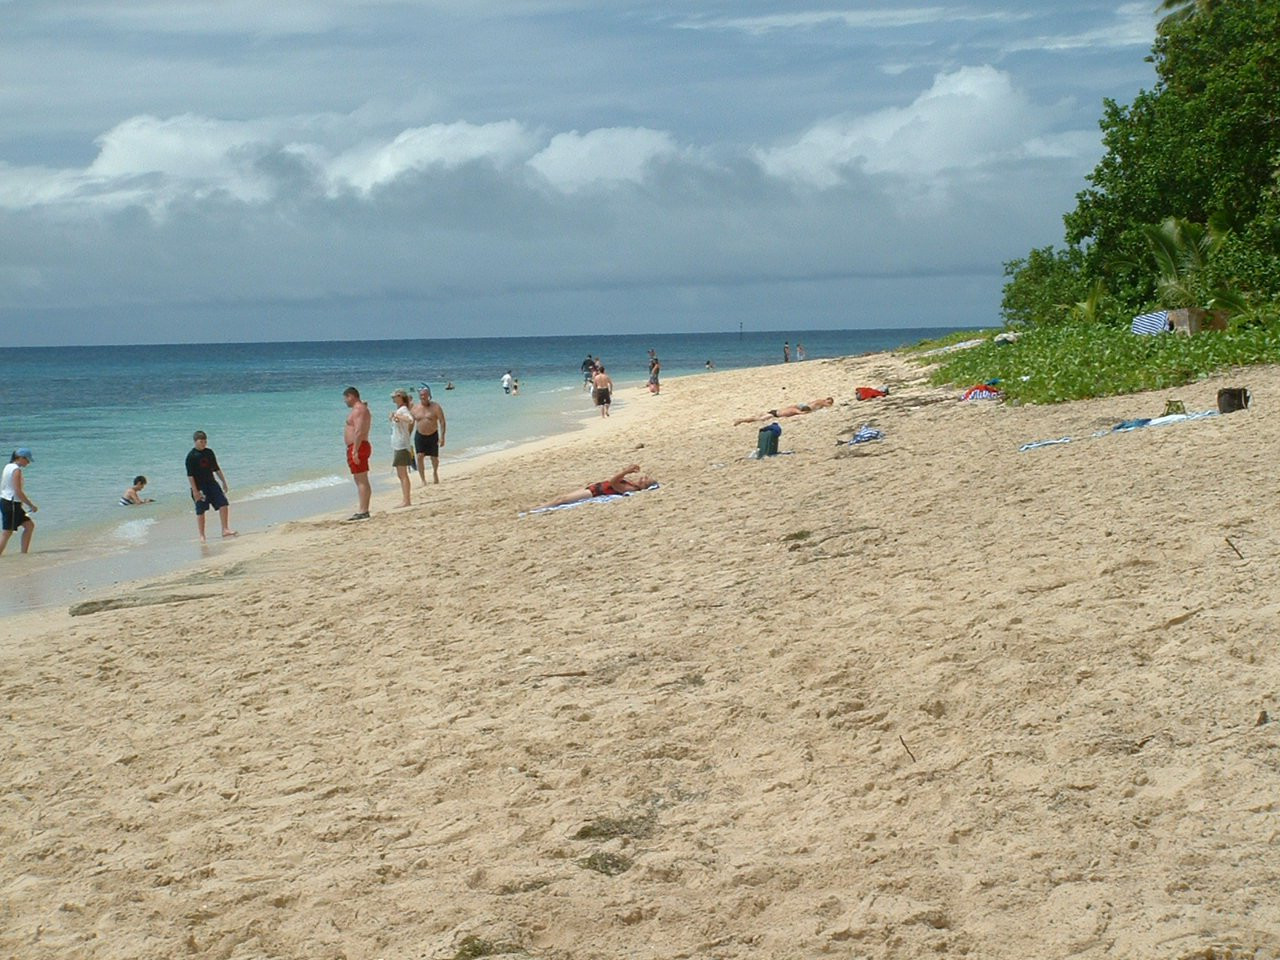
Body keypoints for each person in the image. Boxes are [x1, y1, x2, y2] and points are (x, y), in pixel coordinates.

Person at [531, 463, 656, 511]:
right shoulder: (632, 483)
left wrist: (626, 472)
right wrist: (628, 470)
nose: (642, 478)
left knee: (562, 499)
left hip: (595, 493)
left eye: (645, 480)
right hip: (594, 487)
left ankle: (536, 509)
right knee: (561, 498)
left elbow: (613, 482)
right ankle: (540, 506)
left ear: (643, 486)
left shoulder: (631, 489)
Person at [185, 431, 236, 541]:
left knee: (223, 503)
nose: (203, 444)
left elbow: (216, 468)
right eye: (201, 441)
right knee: (201, 510)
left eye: (205, 441)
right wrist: (195, 491)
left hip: (211, 483)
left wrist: (223, 481)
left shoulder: (209, 452)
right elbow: (190, 476)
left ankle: (225, 529)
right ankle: (202, 535)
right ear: (195, 442)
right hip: (199, 487)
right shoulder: (191, 456)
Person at [1, 448, 38, 556]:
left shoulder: (8, 466)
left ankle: (24, 554)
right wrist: (31, 505)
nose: (28, 462)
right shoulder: (16, 470)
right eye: (27, 460)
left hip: (8, 502)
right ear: (21, 458)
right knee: (7, 532)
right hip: (11, 503)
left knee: (29, 525)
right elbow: (18, 491)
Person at [343, 386, 372, 520]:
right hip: (357, 446)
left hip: (358, 446)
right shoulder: (360, 409)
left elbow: (359, 431)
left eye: (346, 398)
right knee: (360, 479)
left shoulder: (359, 409)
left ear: (351, 396)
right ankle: (363, 509)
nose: (345, 401)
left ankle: (363, 510)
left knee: (361, 479)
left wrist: (355, 450)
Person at [411, 384, 446, 485]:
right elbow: (410, 423)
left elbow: (442, 421)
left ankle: (435, 473)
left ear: (429, 395)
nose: (423, 397)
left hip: (433, 434)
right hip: (420, 435)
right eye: (421, 395)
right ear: (419, 396)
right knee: (419, 456)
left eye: (425, 395)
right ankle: (423, 479)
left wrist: (442, 437)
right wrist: (407, 437)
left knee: (434, 458)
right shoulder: (415, 408)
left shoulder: (436, 407)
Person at [389, 389, 415, 508]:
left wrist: (398, 416)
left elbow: (410, 419)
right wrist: (394, 417)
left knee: (402, 474)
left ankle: (406, 500)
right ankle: (406, 499)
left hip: (402, 445)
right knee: (401, 474)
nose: (393, 399)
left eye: (394, 397)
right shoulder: (400, 410)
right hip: (399, 445)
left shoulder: (403, 410)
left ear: (400, 397)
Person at [733, 396, 835, 425]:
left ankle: (742, 420)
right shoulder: (821, 402)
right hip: (775, 414)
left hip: (776, 412)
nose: (828, 404)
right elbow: (800, 412)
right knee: (759, 419)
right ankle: (741, 420)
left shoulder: (797, 407)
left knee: (758, 418)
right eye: (829, 402)